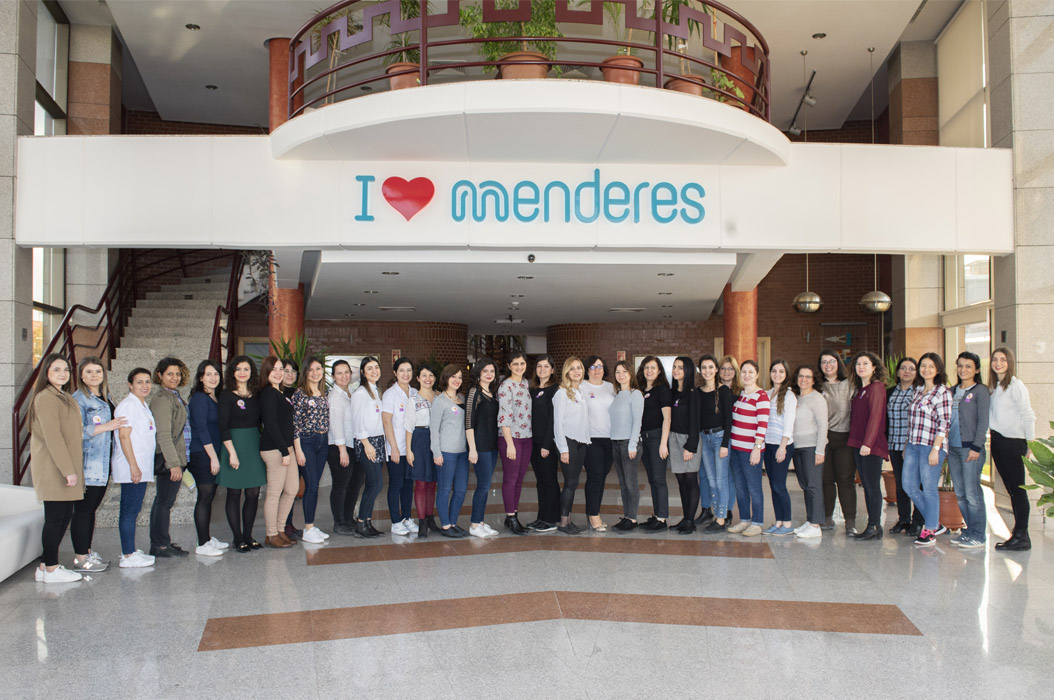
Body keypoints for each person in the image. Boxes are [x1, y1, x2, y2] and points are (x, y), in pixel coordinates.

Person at [29, 354, 85, 583]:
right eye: (56, 370)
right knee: (54, 518)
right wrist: (68, 470)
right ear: (46, 373)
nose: (62, 374)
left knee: (64, 515)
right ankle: (51, 569)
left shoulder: (65, 397)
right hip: (54, 468)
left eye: (66, 370)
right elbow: (53, 437)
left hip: (66, 466)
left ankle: (45, 565)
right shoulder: (45, 398)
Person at [71, 356, 125, 572]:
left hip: (103, 464)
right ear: (81, 376)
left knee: (90, 510)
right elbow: (76, 431)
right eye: (89, 372)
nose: (94, 375)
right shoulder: (78, 399)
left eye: (98, 371)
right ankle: (80, 559)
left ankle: (86, 551)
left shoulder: (105, 396)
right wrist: (106, 426)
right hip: (89, 465)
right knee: (83, 511)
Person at [988, 346, 1036, 551]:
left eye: (1003, 360)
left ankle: (1022, 536)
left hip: (1013, 443)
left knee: (1018, 491)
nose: (998, 363)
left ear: (1010, 363)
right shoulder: (995, 387)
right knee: (1011, 490)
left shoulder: (1016, 386)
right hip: (998, 441)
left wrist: (1030, 443)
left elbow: (1028, 414)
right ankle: (1017, 533)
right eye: (995, 359)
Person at [218, 355, 268, 552]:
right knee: (234, 493)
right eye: (238, 369)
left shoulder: (256, 394)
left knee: (253, 493)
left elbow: (261, 422)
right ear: (232, 372)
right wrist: (232, 453)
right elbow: (223, 426)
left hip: (253, 445)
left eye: (246, 369)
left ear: (251, 372)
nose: (242, 372)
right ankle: (237, 537)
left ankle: (248, 535)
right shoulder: (226, 395)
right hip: (233, 445)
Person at [902, 352, 951, 547]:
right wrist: (907, 445)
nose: (926, 369)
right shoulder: (917, 390)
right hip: (913, 445)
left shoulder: (943, 392)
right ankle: (935, 523)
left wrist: (936, 449)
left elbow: (944, 424)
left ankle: (930, 530)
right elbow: (912, 422)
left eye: (931, 366)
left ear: (938, 369)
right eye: (923, 365)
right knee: (909, 486)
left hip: (931, 446)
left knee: (929, 488)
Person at [112, 368, 157, 569]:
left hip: (140, 466)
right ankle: (128, 555)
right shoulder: (128, 406)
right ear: (130, 385)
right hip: (132, 467)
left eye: (147, 381)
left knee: (134, 509)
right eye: (139, 382)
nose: (145, 386)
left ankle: (130, 550)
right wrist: (133, 466)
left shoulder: (142, 405)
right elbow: (124, 436)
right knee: (129, 510)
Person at [186, 359, 229, 556]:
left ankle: (207, 538)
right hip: (202, 454)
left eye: (216, 374)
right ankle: (202, 544)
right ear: (201, 377)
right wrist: (213, 457)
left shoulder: (215, 397)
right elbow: (202, 429)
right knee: (204, 497)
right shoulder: (199, 398)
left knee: (209, 497)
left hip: (212, 452)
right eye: (208, 374)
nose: (213, 378)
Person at [149, 357, 191, 559]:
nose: (175, 378)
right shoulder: (162, 400)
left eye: (177, 374)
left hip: (178, 457)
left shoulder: (173, 396)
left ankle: (162, 542)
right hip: (170, 459)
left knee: (165, 501)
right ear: (159, 375)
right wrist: (174, 464)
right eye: (169, 374)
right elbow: (164, 434)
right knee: (164, 502)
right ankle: (160, 545)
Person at [947, 351, 990, 549]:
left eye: (968, 366)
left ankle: (978, 535)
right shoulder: (951, 391)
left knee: (972, 494)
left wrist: (976, 446)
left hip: (970, 449)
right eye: (960, 365)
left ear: (977, 370)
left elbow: (983, 421)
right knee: (961, 493)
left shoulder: (980, 391)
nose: (963, 370)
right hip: (953, 449)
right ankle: (969, 531)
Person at [847, 351, 889, 541]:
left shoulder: (876, 388)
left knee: (872, 487)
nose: (861, 367)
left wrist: (868, 443)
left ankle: (874, 526)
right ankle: (873, 525)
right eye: (858, 364)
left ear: (874, 367)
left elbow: (876, 417)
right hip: (858, 444)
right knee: (867, 486)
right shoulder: (861, 389)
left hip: (869, 446)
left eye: (865, 363)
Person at [259, 357, 298, 549]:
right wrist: (284, 451)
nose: (278, 373)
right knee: (274, 493)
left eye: (281, 369)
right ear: (266, 372)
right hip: (275, 449)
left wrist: (288, 450)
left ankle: (280, 529)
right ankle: (271, 534)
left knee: (292, 489)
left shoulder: (279, 392)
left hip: (286, 448)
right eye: (273, 369)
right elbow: (271, 425)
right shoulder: (268, 393)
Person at [291, 356, 330, 544]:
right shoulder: (299, 394)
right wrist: (298, 450)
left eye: (318, 369)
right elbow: (295, 424)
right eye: (311, 369)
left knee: (315, 485)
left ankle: (312, 527)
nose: (315, 373)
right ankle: (308, 528)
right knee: (312, 484)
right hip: (306, 441)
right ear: (305, 372)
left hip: (323, 441)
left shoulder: (324, 393)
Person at [727, 360, 769, 537]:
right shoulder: (742, 394)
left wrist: (757, 448)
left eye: (751, 372)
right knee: (740, 487)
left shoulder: (761, 396)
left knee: (754, 487)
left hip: (750, 450)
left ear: (757, 374)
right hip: (736, 449)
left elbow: (762, 425)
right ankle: (744, 520)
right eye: (744, 372)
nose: (747, 375)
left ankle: (757, 523)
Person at [818, 350, 857, 535]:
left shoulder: (849, 384)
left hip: (845, 438)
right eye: (824, 362)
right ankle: (827, 518)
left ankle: (850, 522)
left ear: (838, 363)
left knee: (845, 480)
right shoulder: (818, 386)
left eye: (831, 361)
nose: (828, 365)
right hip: (823, 438)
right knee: (826, 480)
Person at [886, 357, 924, 535]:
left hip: (913, 446)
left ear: (917, 373)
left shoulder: (920, 392)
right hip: (894, 444)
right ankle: (903, 520)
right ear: (898, 372)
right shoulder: (890, 392)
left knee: (915, 484)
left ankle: (918, 521)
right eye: (903, 368)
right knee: (900, 484)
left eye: (911, 368)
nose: (907, 371)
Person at [430, 364, 469, 538]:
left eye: (459, 377)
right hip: (446, 452)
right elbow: (434, 429)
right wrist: (436, 452)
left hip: (462, 452)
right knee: (445, 489)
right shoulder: (439, 401)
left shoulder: (462, 398)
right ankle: (445, 525)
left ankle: (453, 522)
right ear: (446, 378)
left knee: (461, 489)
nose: (457, 380)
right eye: (453, 376)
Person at [553, 356, 591, 535]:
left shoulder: (581, 391)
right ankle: (563, 522)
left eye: (579, 368)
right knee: (570, 482)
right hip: (567, 441)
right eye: (572, 368)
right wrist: (563, 449)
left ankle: (568, 520)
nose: (576, 371)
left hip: (581, 442)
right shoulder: (561, 393)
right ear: (566, 372)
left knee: (574, 482)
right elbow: (557, 423)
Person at [350, 356, 386, 538]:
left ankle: (368, 522)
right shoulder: (360, 393)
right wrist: (366, 444)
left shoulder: (375, 391)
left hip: (378, 441)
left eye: (376, 367)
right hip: (367, 443)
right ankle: (360, 523)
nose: (374, 371)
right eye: (369, 368)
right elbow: (357, 422)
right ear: (363, 372)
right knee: (376, 484)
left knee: (373, 484)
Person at [498, 352, 533, 535]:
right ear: (509, 366)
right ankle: (511, 517)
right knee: (510, 479)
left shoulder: (525, 383)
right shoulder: (506, 386)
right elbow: (503, 417)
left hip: (527, 437)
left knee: (519, 479)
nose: (519, 367)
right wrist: (509, 444)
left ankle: (513, 512)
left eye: (522, 363)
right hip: (511, 438)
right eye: (515, 364)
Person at [697, 354, 734, 534]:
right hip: (705, 439)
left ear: (716, 370)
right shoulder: (698, 392)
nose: (707, 371)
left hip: (720, 438)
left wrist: (725, 444)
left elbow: (729, 420)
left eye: (711, 367)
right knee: (711, 480)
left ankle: (721, 519)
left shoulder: (724, 391)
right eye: (704, 367)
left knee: (721, 480)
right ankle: (716, 514)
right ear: (700, 370)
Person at [791, 365, 827, 539]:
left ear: (813, 380)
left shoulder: (817, 398)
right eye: (801, 376)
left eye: (808, 377)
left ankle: (816, 524)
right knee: (805, 485)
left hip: (812, 447)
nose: (804, 379)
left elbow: (823, 425)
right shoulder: (796, 398)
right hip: (797, 447)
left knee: (813, 485)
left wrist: (820, 450)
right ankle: (810, 520)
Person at [466, 359, 501, 539]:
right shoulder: (475, 392)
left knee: (486, 486)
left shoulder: (492, 393)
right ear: (478, 372)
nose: (489, 374)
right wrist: (472, 449)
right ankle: (474, 524)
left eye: (492, 371)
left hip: (492, 445)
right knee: (483, 485)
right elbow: (468, 422)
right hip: (480, 446)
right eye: (485, 370)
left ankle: (480, 521)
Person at [382, 358, 418, 536]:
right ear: (395, 373)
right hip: (396, 447)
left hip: (411, 448)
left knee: (408, 484)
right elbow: (386, 422)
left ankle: (406, 518)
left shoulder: (415, 392)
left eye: (409, 370)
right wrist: (393, 447)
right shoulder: (390, 394)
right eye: (402, 370)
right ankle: (395, 522)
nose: (406, 374)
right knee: (396, 484)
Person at [637, 355, 672, 531]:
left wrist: (663, 443)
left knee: (659, 479)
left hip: (657, 437)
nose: (649, 371)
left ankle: (662, 518)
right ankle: (657, 515)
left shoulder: (662, 389)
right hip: (644, 439)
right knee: (652, 479)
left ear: (659, 371)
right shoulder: (641, 389)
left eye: (653, 367)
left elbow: (667, 418)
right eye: (646, 367)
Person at [763, 360, 797, 536]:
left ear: (786, 374)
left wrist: (782, 447)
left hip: (781, 445)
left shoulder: (789, 396)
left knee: (779, 485)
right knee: (773, 485)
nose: (777, 374)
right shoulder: (767, 394)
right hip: (768, 444)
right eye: (774, 371)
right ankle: (778, 522)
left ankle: (788, 523)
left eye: (781, 371)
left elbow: (789, 424)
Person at [668, 357, 701, 534]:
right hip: (674, 438)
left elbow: (695, 421)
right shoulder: (673, 392)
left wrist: (691, 446)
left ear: (687, 370)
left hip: (689, 440)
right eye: (674, 367)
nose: (676, 370)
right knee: (681, 480)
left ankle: (690, 521)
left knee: (690, 479)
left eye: (680, 367)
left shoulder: (692, 393)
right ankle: (686, 517)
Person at [327, 360, 360, 537]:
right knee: (341, 486)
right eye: (339, 373)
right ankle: (339, 522)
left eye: (346, 372)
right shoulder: (335, 397)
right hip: (339, 448)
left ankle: (348, 519)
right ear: (333, 376)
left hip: (351, 445)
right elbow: (336, 425)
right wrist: (342, 450)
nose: (344, 376)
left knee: (353, 484)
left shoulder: (350, 393)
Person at [610, 360, 644, 532]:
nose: (621, 375)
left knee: (631, 483)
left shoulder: (635, 394)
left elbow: (637, 422)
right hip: (615, 443)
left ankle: (632, 518)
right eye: (618, 372)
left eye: (624, 371)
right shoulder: (616, 395)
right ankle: (627, 516)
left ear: (631, 374)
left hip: (628, 444)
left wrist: (632, 445)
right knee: (623, 483)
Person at [582, 355, 615, 532]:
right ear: (587, 370)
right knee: (594, 476)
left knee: (602, 476)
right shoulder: (581, 386)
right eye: (593, 367)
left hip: (610, 439)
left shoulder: (611, 387)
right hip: (591, 439)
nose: (597, 370)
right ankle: (593, 515)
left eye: (600, 366)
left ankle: (595, 511)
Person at [406, 364, 439, 537]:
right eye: (424, 375)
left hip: (436, 440)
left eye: (431, 375)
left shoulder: (440, 397)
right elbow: (408, 427)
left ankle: (430, 518)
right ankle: (422, 523)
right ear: (418, 378)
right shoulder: (413, 399)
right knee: (421, 483)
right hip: (419, 439)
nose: (428, 379)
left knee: (432, 482)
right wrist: (409, 450)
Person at [528, 355, 560, 532]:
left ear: (552, 370)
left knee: (550, 481)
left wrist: (546, 445)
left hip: (546, 444)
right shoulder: (532, 389)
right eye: (539, 366)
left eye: (546, 366)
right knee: (540, 481)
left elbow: (553, 420)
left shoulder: (555, 390)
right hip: (533, 442)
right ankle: (541, 517)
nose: (542, 369)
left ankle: (551, 519)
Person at [280, 358, 302, 541]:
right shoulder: (274, 393)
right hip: (281, 447)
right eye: (285, 370)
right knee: (283, 490)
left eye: (293, 371)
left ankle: (289, 524)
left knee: (292, 489)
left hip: (298, 447)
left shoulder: (298, 393)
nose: (289, 374)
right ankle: (281, 526)